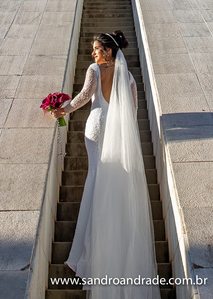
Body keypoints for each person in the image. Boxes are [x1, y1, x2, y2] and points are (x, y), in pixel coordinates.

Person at [52, 31, 160, 298]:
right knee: (113, 185)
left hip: (98, 126)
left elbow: (86, 95)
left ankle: (89, 252)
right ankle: (115, 250)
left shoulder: (94, 69)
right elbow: (133, 113)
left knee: (96, 181)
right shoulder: (129, 76)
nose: (93, 54)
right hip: (118, 131)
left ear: (109, 51)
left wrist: (63, 109)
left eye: (97, 49)